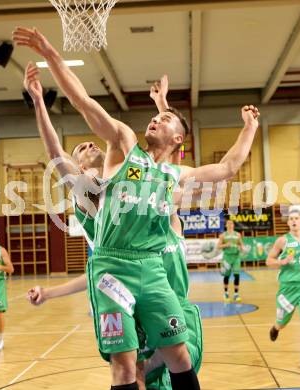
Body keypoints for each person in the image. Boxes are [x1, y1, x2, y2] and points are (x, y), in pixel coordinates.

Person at [13, 27, 259, 390]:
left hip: (152, 268)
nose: (155, 119)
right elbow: (83, 103)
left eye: (164, 120)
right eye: (156, 116)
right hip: (113, 266)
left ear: (178, 139)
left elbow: (227, 168)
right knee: (127, 369)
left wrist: (250, 127)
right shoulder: (125, 146)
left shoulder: (177, 176)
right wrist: (51, 55)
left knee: (180, 357)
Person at [24, 67, 202, 389]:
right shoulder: (87, 190)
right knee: (131, 370)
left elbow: (165, 160)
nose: (89, 146)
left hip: (153, 277)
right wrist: (39, 102)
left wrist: (163, 106)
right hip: (118, 280)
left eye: (93, 143)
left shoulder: (128, 175)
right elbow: (54, 152)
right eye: (81, 149)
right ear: (76, 165)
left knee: (170, 363)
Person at [266, 209, 300, 368]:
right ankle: (276, 328)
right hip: (287, 289)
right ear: (288, 223)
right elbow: (269, 261)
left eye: (297, 218)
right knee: (283, 322)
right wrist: (281, 262)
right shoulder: (282, 241)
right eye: (291, 219)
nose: (294, 221)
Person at [217, 220, 244, 303]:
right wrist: (225, 245)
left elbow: (241, 245)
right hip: (227, 257)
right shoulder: (223, 235)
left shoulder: (238, 234)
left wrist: (242, 248)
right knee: (226, 276)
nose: (230, 225)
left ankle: (236, 294)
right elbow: (218, 246)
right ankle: (226, 293)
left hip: (236, 257)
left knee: (237, 275)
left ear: (233, 225)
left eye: (231, 223)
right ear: (226, 225)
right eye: (228, 223)